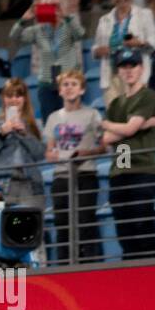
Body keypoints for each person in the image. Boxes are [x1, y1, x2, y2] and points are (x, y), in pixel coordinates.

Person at [101, 47, 155, 258]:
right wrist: (135, 125)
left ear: (141, 68)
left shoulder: (148, 95)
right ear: (118, 71)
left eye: (132, 65)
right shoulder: (116, 103)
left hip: (142, 169)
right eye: (123, 66)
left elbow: (127, 129)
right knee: (124, 228)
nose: (128, 70)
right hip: (119, 171)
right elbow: (107, 138)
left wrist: (108, 123)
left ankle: (151, 272)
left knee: (141, 222)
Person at [44, 69, 105, 263]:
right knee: (63, 223)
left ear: (82, 90)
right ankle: (64, 264)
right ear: (60, 90)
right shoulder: (53, 117)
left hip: (86, 174)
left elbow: (104, 146)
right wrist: (53, 156)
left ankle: (89, 264)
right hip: (61, 176)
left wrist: (85, 154)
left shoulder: (93, 114)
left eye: (73, 84)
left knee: (86, 221)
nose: (69, 88)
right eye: (65, 85)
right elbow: (48, 151)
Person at [11, 0, 87, 121]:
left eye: (55, 6)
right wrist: (24, 19)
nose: (52, 10)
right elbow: (14, 36)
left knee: (71, 120)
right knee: (50, 121)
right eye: (47, 6)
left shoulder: (68, 27)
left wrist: (66, 16)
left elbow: (81, 34)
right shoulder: (38, 30)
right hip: (46, 82)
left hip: (68, 82)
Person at [0, 78, 47, 208]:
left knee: (29, 225)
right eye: (9, 96)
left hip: (30, 186)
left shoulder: (36, 124)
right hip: (0, 186)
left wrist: (25, 134)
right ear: (3, 99)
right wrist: (1, 134)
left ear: (24, 99)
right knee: (1, 225)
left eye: (18, 96)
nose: (14, 100)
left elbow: (41, 154)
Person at [93, 0, 155, 101]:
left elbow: (154, 41)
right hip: (112, 77)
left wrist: (139, 43)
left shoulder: (144, 14)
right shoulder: (104, 19)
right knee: (115, 117)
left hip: (137, 77)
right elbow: (96, 47)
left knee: (136, 116)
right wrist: (98, 51)